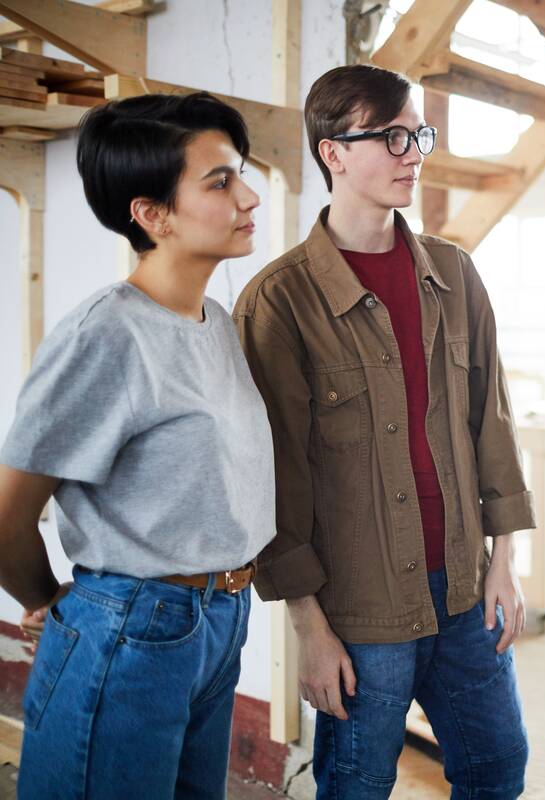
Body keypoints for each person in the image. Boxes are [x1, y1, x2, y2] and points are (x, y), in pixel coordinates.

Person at [234, 64, 533, 799]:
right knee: (358, 784)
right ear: (333, 152)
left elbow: (490, 422)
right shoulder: (280, 302)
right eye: (393, 136)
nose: (414, 152)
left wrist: (504, 560)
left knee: (498, 769)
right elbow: (274, 480)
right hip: (361, 606)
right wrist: (311, 629)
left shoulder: (455, 275)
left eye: (418, 133)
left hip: (466, 591)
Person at [0, 92, 274, 798]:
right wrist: (56, 604)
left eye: (239, 173)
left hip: (219, 623)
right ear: (152, 215)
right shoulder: (105, 335)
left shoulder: (215, 321)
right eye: (219, 181)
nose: (249, 195)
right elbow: (6, 514)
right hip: (132, 632)